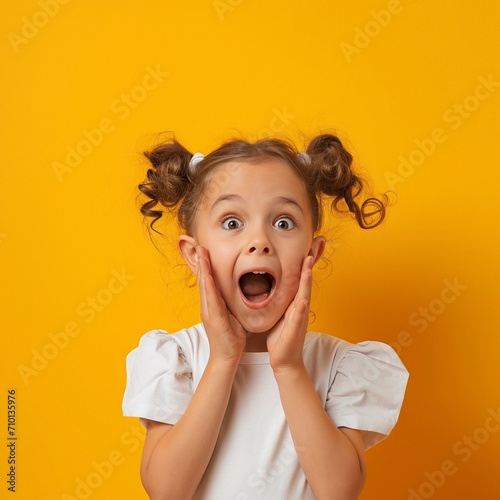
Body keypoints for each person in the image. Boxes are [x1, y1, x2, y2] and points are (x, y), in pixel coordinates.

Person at [122, 133, 409, 500]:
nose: (260, 240)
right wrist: (223, 359)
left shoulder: (340, 365)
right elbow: (166, 490)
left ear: (313, 253)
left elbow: (339, 492)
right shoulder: (177, 358)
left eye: (284, 223)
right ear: (195, 254)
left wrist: (289, 367)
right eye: (231, 223)